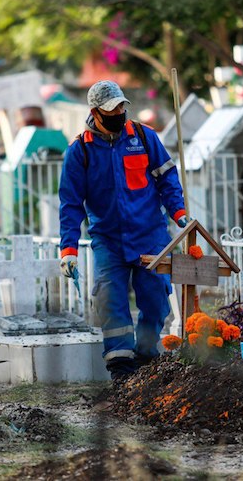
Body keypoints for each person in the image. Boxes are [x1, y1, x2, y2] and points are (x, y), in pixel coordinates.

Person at [58, 80, 188, 380]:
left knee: (156, 298)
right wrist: (68, 249)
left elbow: (167, 178)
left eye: (121, 106)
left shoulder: (144, 137)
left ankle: (146, 357)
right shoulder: (80, 151)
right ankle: (121, 367)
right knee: (110, 298)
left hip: (150, 236)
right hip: (108, 241)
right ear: (95, 112)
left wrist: (178, 211)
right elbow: (70, 204)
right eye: (112, 108)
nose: (119, 111)